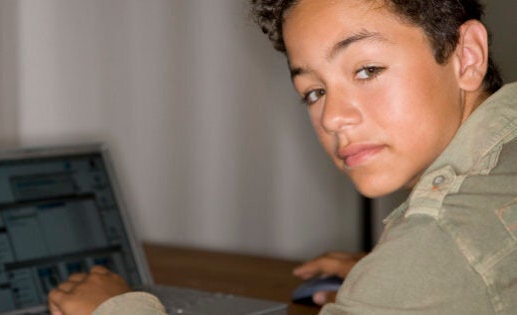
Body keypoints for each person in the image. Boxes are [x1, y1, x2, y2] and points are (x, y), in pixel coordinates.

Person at [48, 0, 517, 314]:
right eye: (313, 92)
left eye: (367, 69)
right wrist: (388, 277)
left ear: (467, 56)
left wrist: (114, 309)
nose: (332, 117)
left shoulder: (436, 247)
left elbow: (446, 253)